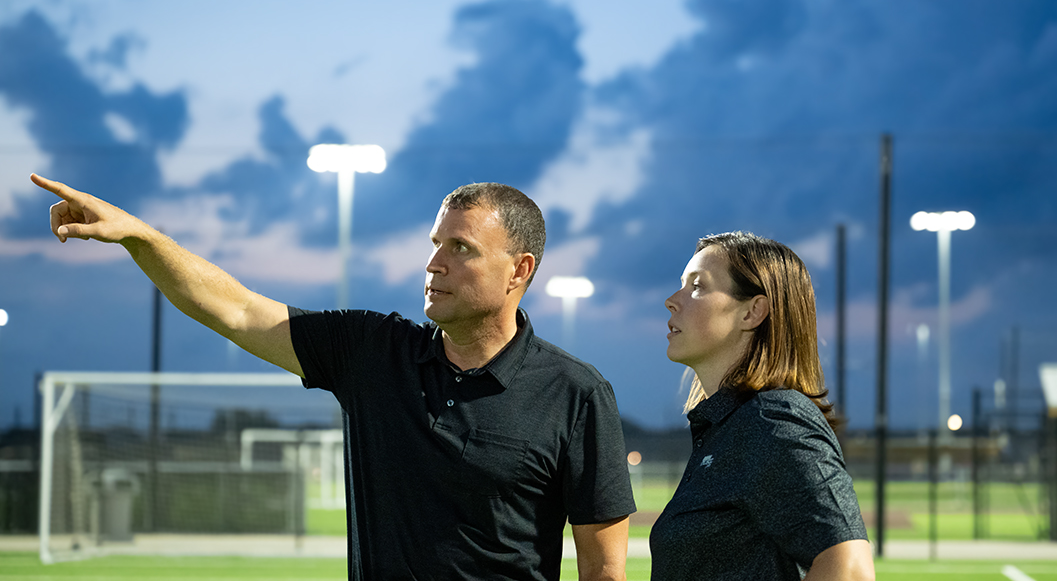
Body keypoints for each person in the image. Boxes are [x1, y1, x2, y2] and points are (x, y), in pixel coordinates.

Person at [31, 173, 635, 581]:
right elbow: (237, 309)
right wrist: (141, 236)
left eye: (462, 248)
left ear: (518, 270)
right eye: (433, 244)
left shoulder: (576, 393)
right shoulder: (371, 351)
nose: (434, 263)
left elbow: (604, 570)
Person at [650, 231, 873, 581]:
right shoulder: (729, 424)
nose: (672, 300)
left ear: (753, 312)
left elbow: (850, 568)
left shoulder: (773, 419)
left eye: (697, 286)